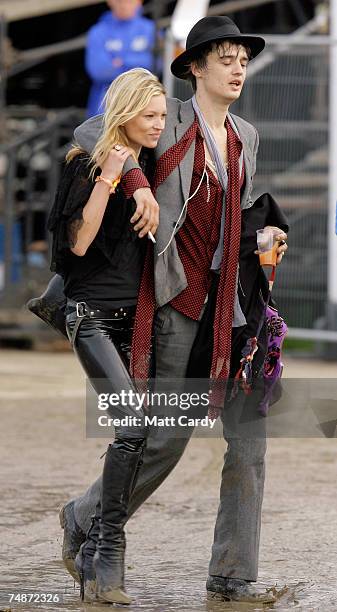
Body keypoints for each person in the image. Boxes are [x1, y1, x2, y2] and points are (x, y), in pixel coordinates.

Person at [59, 16, 289, 605]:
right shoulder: (167, 119)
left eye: (243, 59)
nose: (239, 68)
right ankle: (85, 517)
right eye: (226, 58)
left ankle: (233, 575)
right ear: (194, 67)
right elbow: (94, 132)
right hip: (173, 300)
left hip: (232, 309)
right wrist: (135, 180)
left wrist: (263, 241)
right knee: (164, 437)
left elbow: (231, 218)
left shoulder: (248, 137)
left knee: (251, 440)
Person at [47, 67, 166, 604]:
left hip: (132, 321)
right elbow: (77, 244)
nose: (159, 125)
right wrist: (108, 180)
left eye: (163, 115)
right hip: (89, 316)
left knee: (139, 433)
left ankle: (85, 527)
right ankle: (105, 546)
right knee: (133, 427)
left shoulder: (153, 167)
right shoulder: (87, 164)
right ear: (124, 113)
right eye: (149, 115)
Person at [85, 0, 156, 117]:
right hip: (106, 111)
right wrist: (139, 65)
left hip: (144, 107)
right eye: (120, 1)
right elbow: (99, 71)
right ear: (110, 1)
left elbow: (158, 63)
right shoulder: (98, 32)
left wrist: (123, 61)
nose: (124, 5)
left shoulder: (150, 29)